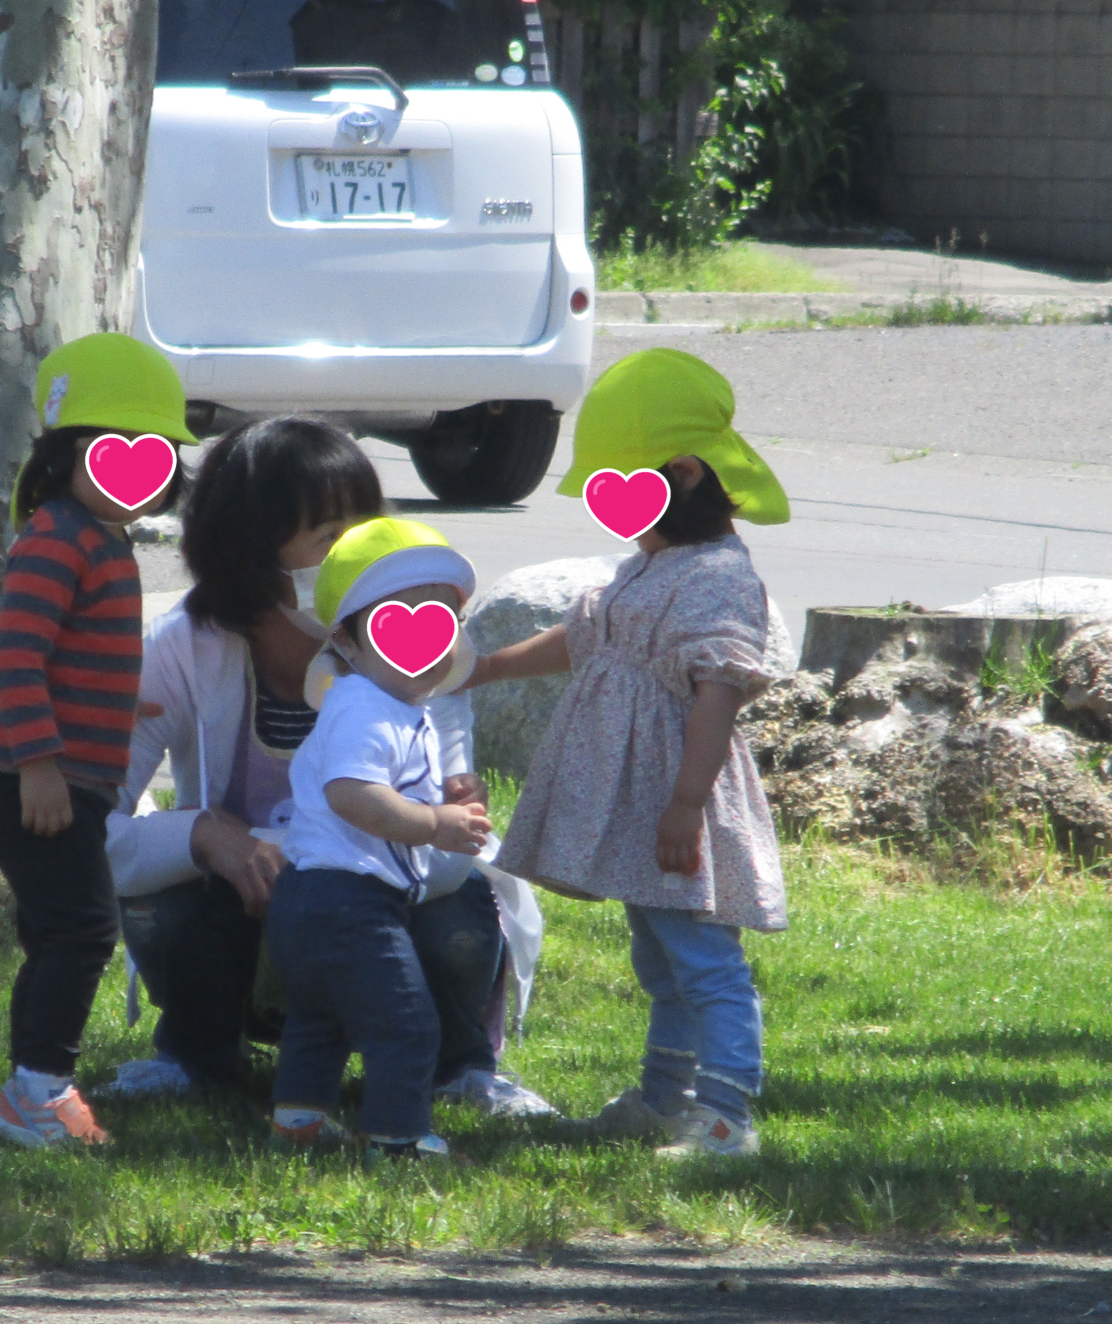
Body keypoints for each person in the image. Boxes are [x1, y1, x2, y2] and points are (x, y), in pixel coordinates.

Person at [104, 416, 553, 1116]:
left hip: (386, 921)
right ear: (252, 555)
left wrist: (325, 856)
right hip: (250, 929)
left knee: (460, 920)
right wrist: (202, 835)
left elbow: (448, 858)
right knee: (166, 910)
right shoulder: (179, 650)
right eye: (328, 534)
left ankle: (458, 1065)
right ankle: (195, 1054)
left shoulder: (420, 645)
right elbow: (98, 833)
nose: (360, 553)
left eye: (365, 524)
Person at [469, 348, 790, 1158]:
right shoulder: (654, 564)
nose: (617, 518)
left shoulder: (719, 579)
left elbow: (716, 693)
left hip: (674, 799)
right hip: (647, 798)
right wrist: (488, 668)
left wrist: (685, 805)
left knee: (703, 959)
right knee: (663, 956)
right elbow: (587, 635)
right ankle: (664, 1098)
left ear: (681, 473)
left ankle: (726, 1117)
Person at [0, 333, 199, 1149]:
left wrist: (114, 709)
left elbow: (69, 659)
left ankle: (27, 1088)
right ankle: (39, 1091)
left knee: (55, 932)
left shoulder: (101, 537)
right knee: (86, 930)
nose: (140, 471)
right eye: (116, 451)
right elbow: (17, 658)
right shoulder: (58, 537)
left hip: (62, 773)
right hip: (32, 779)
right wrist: (40, 765)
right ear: (66, 455)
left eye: (157, 455)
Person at [265, 517, 495, 1159]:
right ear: (345, 636)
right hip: (348, 903)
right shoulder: (364, 705)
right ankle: (396, 1138)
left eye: (443, 626)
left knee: (320, 1019)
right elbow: (352, 794)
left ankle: (299, 1122)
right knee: (406, 1023)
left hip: (311, 900)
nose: (427, 646)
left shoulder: (394, 706)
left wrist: (442, 799)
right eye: (399, 624)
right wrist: (435, 825)